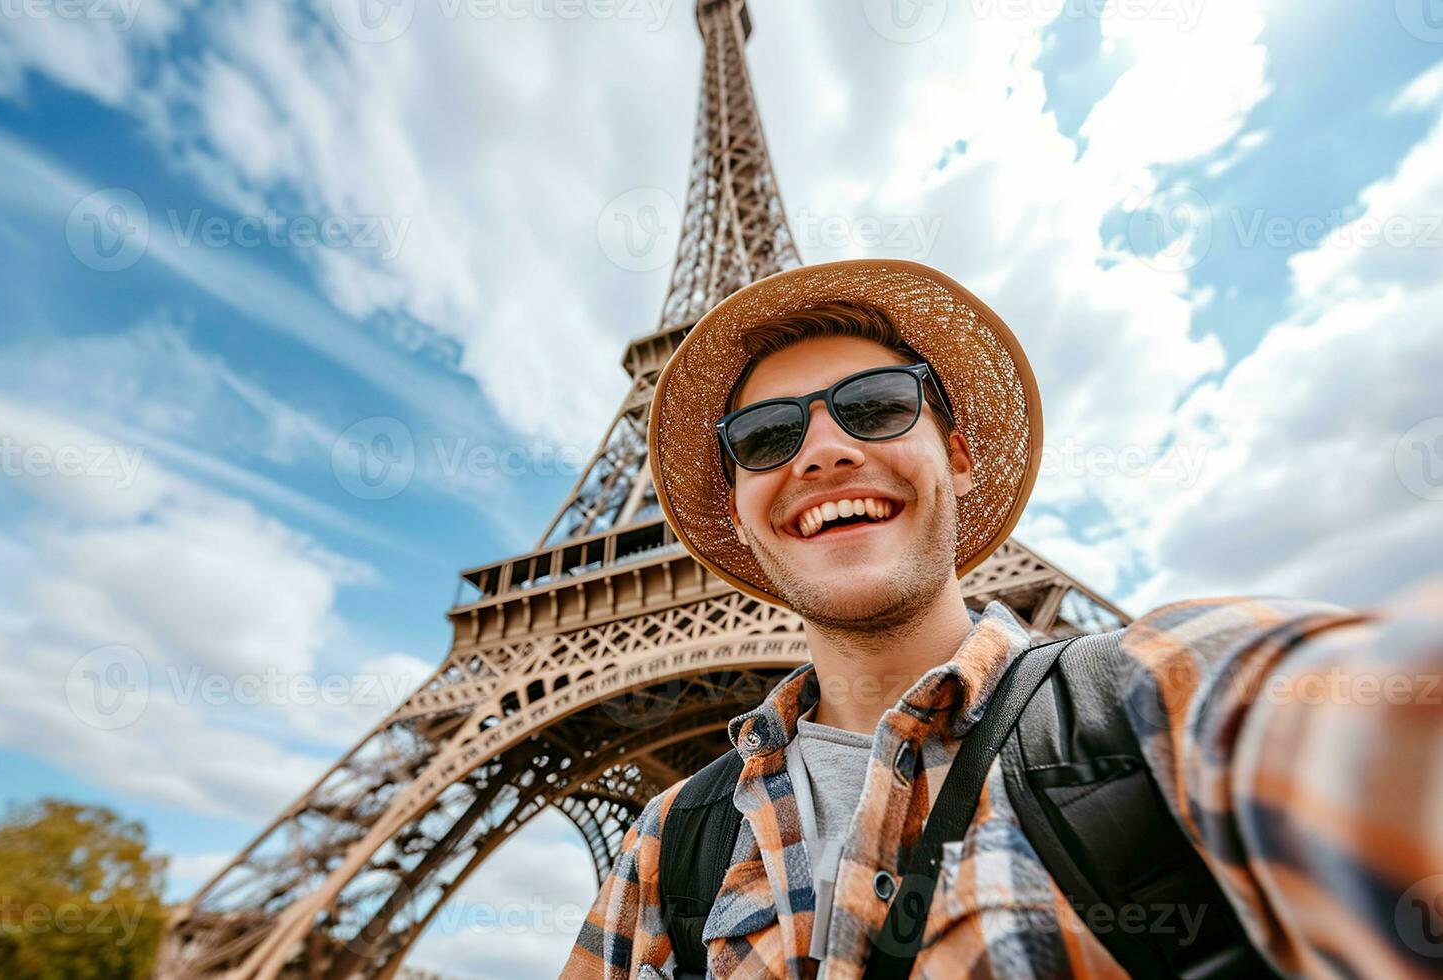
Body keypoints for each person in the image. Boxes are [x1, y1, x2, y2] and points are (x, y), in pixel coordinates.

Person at [560, 258, 1442, 978]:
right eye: (764, 437)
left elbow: (1361, 724)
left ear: (960, 456)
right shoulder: (666, 843)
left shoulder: (1147, 692)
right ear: (741, 510)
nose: (825, 450)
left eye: (876, 407)